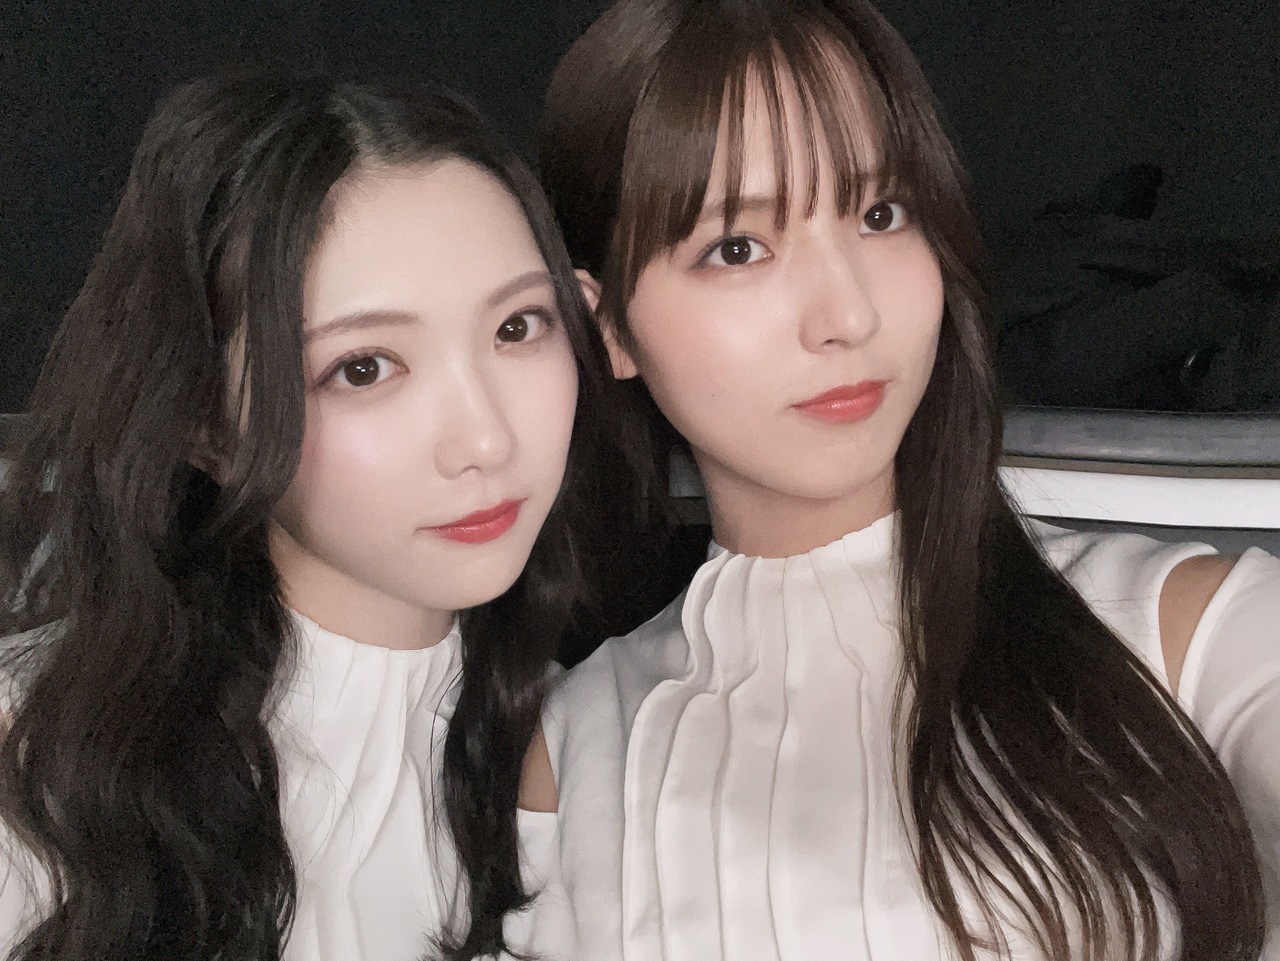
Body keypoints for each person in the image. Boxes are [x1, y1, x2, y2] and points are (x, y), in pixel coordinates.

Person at [529, 1, 1280, 959]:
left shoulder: (1175, 630)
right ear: (609, 328)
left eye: (880, 214)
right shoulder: (574, 749)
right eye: (738, 247)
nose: (847, 314)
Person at [0, 71, 622, 961]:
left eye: (519, 327)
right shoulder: (39, 758)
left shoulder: (595, 749)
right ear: (206, 426)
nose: (485, 439)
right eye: (363, 368)